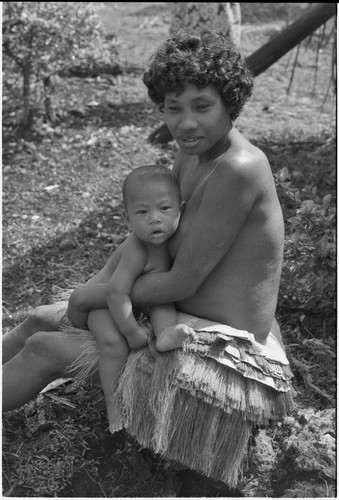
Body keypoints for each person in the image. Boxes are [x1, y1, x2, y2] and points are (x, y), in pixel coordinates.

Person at [3, 29, 293, 490]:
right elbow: (148, 245)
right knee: (40, 318)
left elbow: (180, 281)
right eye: (172, 108)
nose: (186, 123)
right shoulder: (190, 155)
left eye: (202, 106)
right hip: (179, 313)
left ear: (230, 103)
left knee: (45, 348)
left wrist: (96, 295)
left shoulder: (238, 168)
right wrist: (88, 296)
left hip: (219, 342)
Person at [85, 165, 196, 433]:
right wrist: (131, 330)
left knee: (163, 297)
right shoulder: (136, 248)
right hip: (101, 306)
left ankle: (165, 334)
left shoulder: (171, 242)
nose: (154, 219)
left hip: (132, 301)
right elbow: (115, 293)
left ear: (180, 209)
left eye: (164, 209)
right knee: (114, 346)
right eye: (142, 212)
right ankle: (113, 405)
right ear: (128, 218)